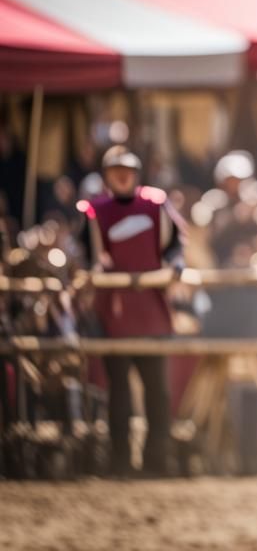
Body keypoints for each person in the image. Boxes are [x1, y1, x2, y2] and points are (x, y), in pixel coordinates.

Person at [79, 146, 185, 477]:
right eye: (115, 170)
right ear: (107, 175)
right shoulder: (96, 211)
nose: (122, 176)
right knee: (119, 392)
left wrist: (175, 267)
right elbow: (86, 254)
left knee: (157, 390)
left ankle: (157, 460)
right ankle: (120, 461)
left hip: (151, 310)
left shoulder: (155, 204)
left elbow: (174, 246)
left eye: (127, 170)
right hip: (115, 312)